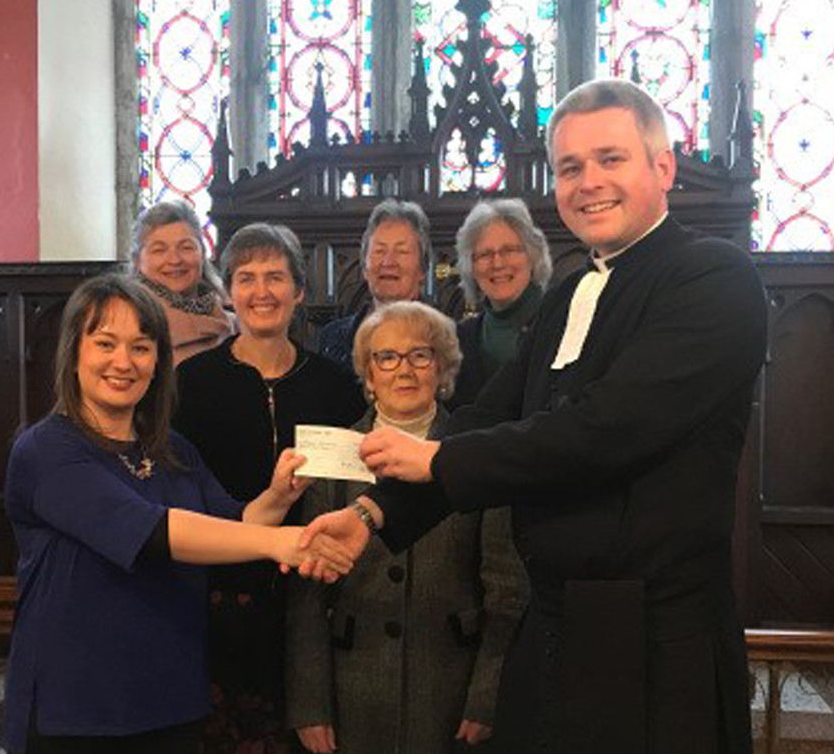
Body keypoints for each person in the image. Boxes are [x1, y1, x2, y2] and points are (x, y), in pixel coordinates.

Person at [300, 79, 769, 753]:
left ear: (662, 166)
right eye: (570, 168)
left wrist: (439, 459)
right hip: (551, 620)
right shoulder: (570, 293)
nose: (589, 183)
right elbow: (487, 416)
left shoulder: (713, 278)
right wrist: (373, 516)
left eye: (612, 159)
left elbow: (607, 428)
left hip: (655, 633)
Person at [0, 273, 351, 754]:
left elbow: (235, 527)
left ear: (158, 362)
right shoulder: (46, 449)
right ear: (74, 352)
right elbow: (151, 532)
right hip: (77, 702)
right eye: (106, 343)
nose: (124, 362)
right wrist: (284, 542)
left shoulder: (171, 448)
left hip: (170, 693)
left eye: (142, 348)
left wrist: (277, 497)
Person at [286, 301, 526, 754]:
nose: (405, 370)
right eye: (387, 357)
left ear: (442, 368)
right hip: (353, 685)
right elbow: (309, 595)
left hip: (450, 683)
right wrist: (309, 702)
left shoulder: (474, 455)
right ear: (369, 375)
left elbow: (506, 588)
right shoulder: (332, 457)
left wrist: (487, 695)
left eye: (421, 355)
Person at [174, 223, 367, 753]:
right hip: (222, 592)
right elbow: (180, 489)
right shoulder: (192, 384)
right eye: (246, 278)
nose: (261, 292)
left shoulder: (334, 384)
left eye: (275, 277)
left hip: (316, 587)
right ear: (230, 292)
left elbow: (356, 486)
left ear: (299, 290)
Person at [447, 198, 553, 409]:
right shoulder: (460, 339)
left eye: (509, 250)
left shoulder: (559, 322)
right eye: (485, 254)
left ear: (532, 256)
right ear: (471, 267)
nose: (497, 263)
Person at [316, 199, 431, 368]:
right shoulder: (333, 339)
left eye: (402, 251)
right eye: (379, 250)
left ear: (422, 269)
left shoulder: (447, 338)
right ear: (364, 267)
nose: (388, 262)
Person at [133, 199, 234, 363]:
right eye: (159, 250)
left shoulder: (237, 325)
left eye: (186, 247)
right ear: (137, 261)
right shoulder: (126, 323)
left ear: (202, 254)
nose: (174, 260)